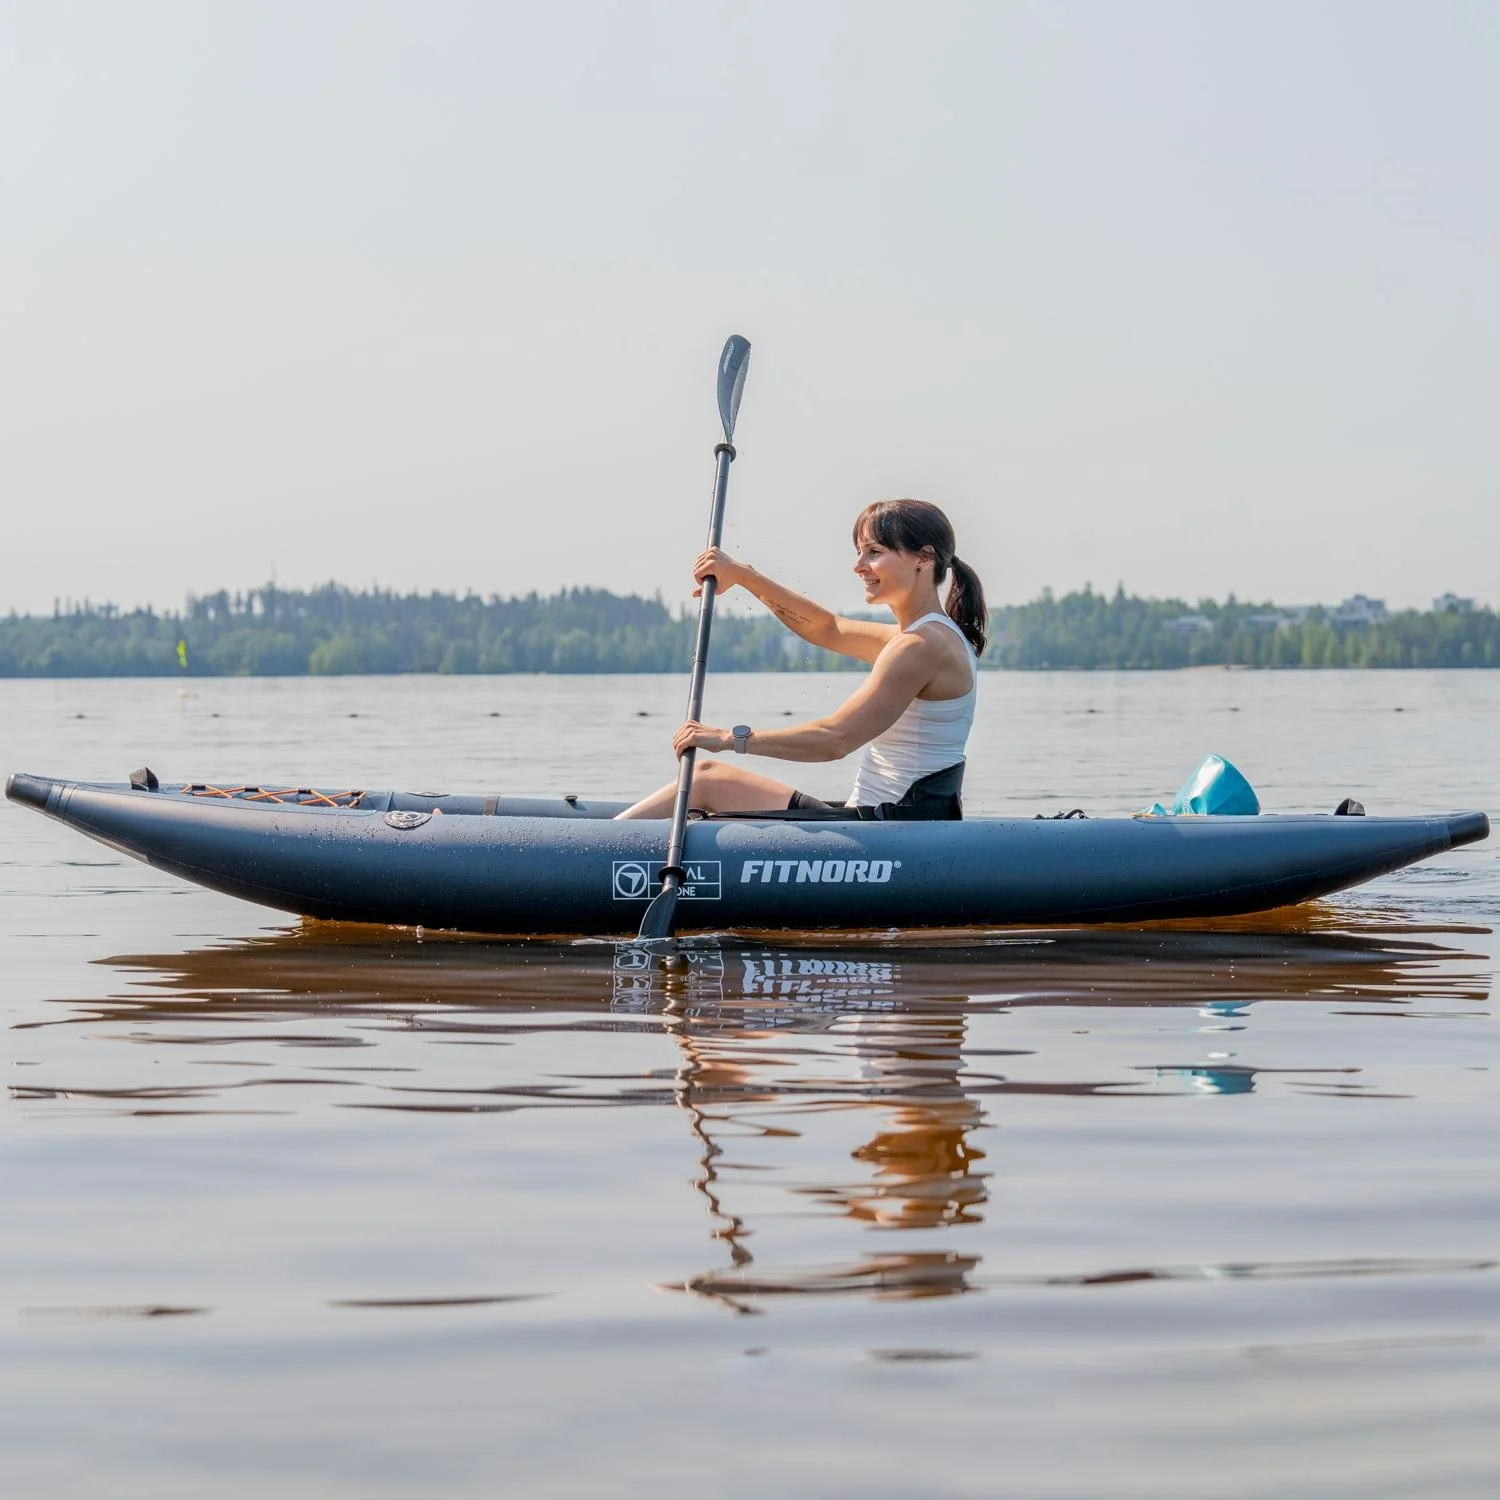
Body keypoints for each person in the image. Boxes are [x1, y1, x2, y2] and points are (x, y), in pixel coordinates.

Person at [617, 498, 987, 821]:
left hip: (891, 830)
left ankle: (585, 852)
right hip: (887, 820)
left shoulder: (920, 646)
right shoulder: (925, 636)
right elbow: (827, 628)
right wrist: (744, 576)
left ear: (923, 559)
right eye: (859, 552)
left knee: (707, 779)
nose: (859, 565)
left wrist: (729, 738)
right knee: (708, 785)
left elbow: (835, 739)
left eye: (874, 552)